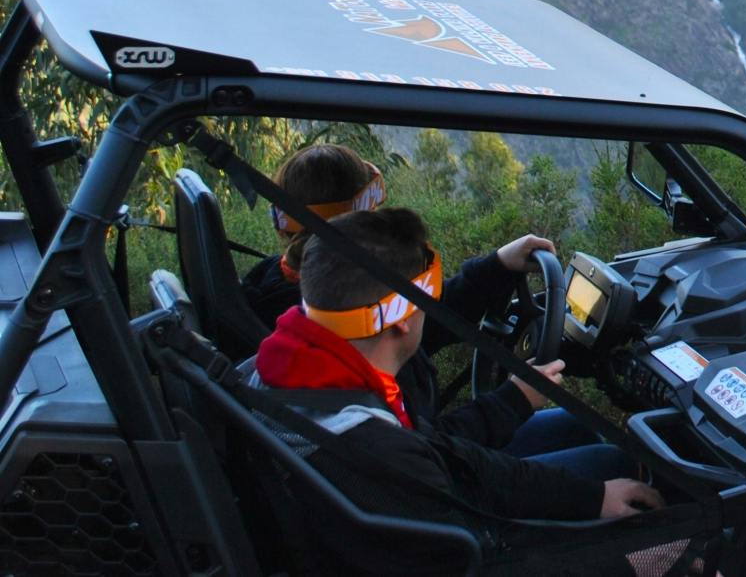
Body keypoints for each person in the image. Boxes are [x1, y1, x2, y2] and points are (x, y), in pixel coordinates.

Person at [250, 207, 717, 576]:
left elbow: (441, 454)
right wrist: (650, 557)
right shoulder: (368, 447)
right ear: (404, 318)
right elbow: (491, 556)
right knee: (677, 542)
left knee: (583, 445)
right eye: (427, 299)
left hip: (392, 528)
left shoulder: (288, 363)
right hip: (462, 552)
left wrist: (494, 271)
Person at [240, 143, 616, 478]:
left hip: (418, 458)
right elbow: (419, 450)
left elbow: (423, 324)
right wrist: (511, 402)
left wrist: (495, 268)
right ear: (358, 218)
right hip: (428, 476)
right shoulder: (338, 322)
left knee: (575, 428)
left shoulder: (295, 293)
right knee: (611, 464)